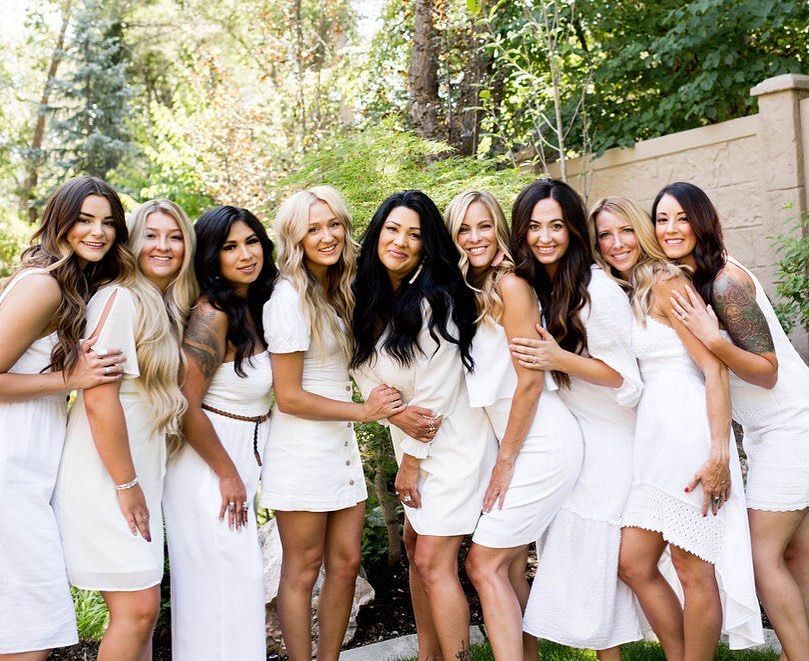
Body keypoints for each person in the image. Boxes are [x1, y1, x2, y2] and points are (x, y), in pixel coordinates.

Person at [585, 195, 763, 657]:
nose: (616, 242)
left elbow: (715, 370)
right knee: (635, 563)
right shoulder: (627, 288)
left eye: (625, 230)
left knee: (690, 566)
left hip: (688, 431)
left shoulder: (665, 282)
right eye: (605, 234)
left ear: (641, 231)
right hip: (653, 438)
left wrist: (720, 455)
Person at [654, 181, 809, 658]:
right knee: (795, 552)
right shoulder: (694, 280)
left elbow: (766, 372)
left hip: (791, 425)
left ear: (703, 221)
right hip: (768, 432)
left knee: (763, 559)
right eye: (662, 219)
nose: (671, 228)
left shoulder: (725, 282)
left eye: (682, 218)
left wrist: (715, 340)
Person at [352, 190, 498, 661]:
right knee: (417, 551)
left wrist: (411, 465)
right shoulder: (367, 295)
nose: (401, 241)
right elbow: (363, 374)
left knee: (435, 562)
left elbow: (436, 392)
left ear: (426, 245)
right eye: (393, 229)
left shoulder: (437, 298)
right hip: (411, 439)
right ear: (377, 233)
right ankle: (428, 655)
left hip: (452, 443)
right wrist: (393, 413)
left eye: (414, 234)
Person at [260, 187, 403, 661]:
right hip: (301, 449)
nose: (327, 236)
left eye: (334, 224)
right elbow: (290, 396)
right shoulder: (287, 298)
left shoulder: (336, 290)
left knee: (346, 563)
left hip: (338, 446)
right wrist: (364, 412)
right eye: (314, 228)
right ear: (295, 237)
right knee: (302, 571)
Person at [443, 190, 583, 660]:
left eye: (484, 226)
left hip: (541, 441)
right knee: (506, 567)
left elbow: (528, 383)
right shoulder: (474, 289)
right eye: (464, 229)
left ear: (500, 229)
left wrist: (505, 461)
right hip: (520, 439)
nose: (474, 237)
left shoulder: (510, 285)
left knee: (483, 565)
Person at [53, 196, 194, 661]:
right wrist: (126, 484)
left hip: (136, 474)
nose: (164, 246)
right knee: (136, 610)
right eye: (151, 235)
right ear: (132, 242)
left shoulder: (162, 305)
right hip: (107, 474)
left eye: (175, 236)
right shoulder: (119, 298)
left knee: (143, 614)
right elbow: (97, 397)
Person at [507, 184, 644, 659]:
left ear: (572, 230)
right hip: (576, 435)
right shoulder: (538, 285)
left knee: (606, 565)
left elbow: (627, 382)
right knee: (594, 570)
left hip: (611, 441)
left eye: (557, 226)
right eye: (534, 226)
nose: (545, 237)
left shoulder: (597, 290)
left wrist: (557, 357)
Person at [0, 176, 128, 659]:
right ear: (60, 222)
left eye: (109, 223)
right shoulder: (44, 287)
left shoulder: (59, 284)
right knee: (30, 634)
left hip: (25, 469)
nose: (98, 232)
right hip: (8, 472)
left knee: (20, 628)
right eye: (84, 220)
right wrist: (69, 381)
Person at [163, 204, 275, 661]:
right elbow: (185, 404)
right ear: (212, 257)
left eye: (251, 241)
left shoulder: (254, 304)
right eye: (230, 247)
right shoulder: (212, 314)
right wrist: (227, 474)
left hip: (237, 457)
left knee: (234, 591)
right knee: (225, 588)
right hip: (208, 464)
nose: (245, 254)